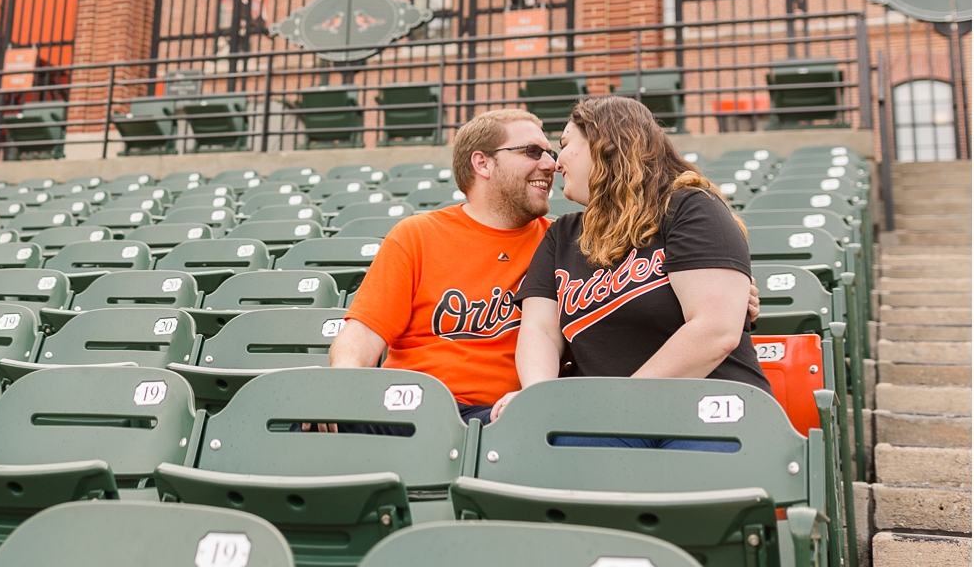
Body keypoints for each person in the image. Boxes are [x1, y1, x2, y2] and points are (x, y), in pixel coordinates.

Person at [494, 96, 771, 446]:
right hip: (601, 423)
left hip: (706, 408)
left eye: (564, 145)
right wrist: (539, 399)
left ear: (606, 144)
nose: (556, 162)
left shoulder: (690, 208)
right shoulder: (562, 234)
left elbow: (715, 330)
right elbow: (541, 331)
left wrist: (620, 405)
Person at [328, 109, 558, 425]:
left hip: (502, 416)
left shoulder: (560, 242)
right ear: (483, 163)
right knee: (306, 423)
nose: (550, 164)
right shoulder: (417, 234)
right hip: (407, 407)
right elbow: (364, 334)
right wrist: (340, 388)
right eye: (533, 152)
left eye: (550, 153)